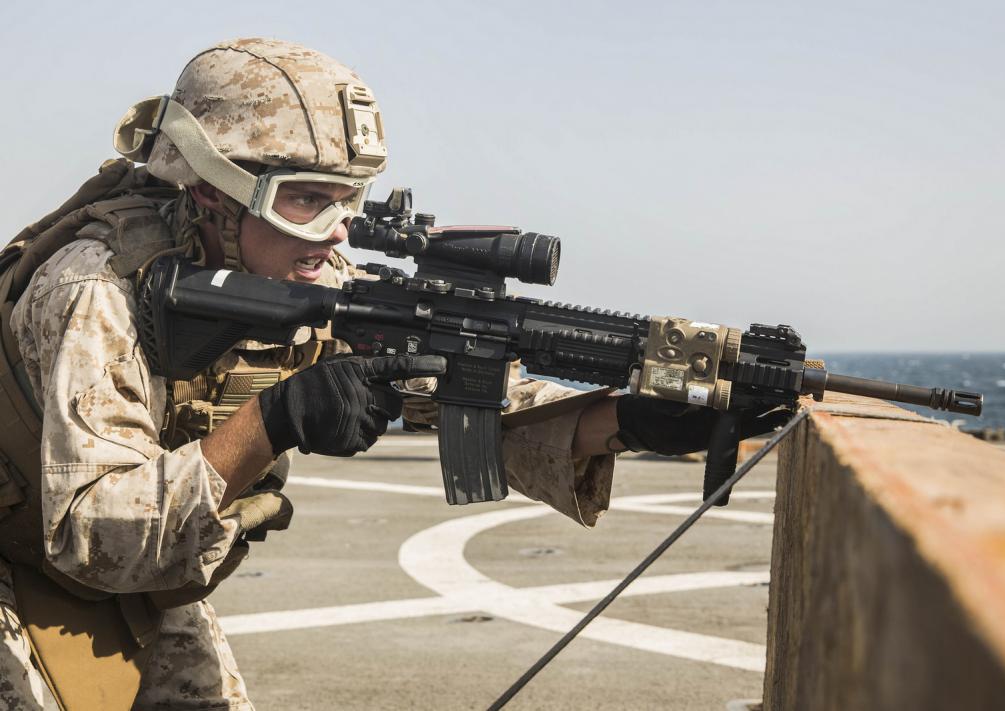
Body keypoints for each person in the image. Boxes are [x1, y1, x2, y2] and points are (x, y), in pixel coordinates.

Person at [0, 38, 773, 710]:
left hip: (144, 564)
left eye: (348, 200)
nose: (335, 231)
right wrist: (274, 421)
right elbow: (92, 533)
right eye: (303, 200)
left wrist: (630, 418)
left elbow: (459, 396)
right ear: (211, 190)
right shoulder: (95, 287)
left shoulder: (315, 272)